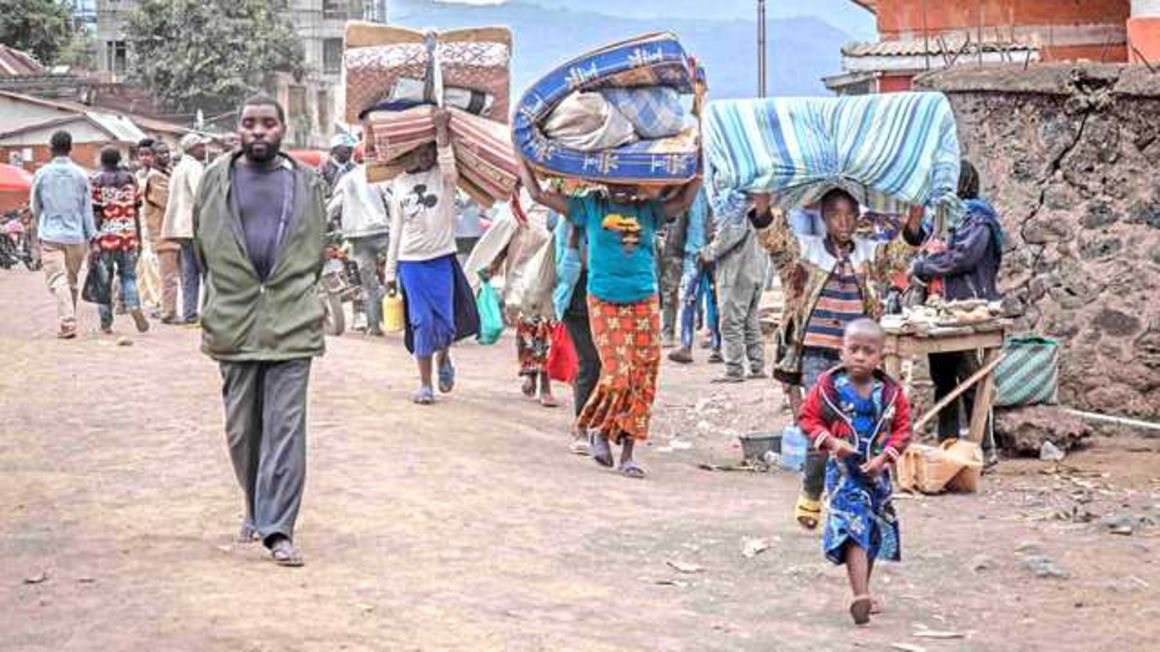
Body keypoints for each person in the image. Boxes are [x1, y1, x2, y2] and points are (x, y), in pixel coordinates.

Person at [193, 95, 326, 567]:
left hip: (292, 321)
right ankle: (254, 505)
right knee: (242, 430)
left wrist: (295, 290)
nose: (257, 132)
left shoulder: (307, 183)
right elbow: (203, 248)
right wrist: (227, 294)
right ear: (238, 130)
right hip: (233, 320)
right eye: (249, 123)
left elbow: (316, 245)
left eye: (268, 123)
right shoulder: (214, 181)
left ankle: (278, 529)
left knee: (286, 429)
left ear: (283, 129)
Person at [750, 188, 919, 529]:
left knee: (859, 429)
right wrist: (762, 202)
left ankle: (853, 497)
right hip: (815, 354)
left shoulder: (871, 256)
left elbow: (901, 254)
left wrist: (915, 215)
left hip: (857, 362)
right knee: (821, 428)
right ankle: (812, 493)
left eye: (849, 214)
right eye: (835, 214)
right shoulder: (806, 251)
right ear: (824, 219)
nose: (843, 221)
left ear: (858, 217)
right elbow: (775, 241)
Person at [520, 158, 701, 479]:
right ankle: (597, 430)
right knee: (617, 372)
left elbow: (684, 200)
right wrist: (522, 156)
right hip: (604, 299)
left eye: (628, 180)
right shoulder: (590, 207)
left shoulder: (649, 209)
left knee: (642, 377)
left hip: (645, 297)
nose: (621, 187)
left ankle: (628, 454)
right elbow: (537, 194)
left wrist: (699, 162)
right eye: (615, 180)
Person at [798, 318, 913, 625]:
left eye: (869, 351)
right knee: (853, 527)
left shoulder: (889, 392)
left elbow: (903, 429)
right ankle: (859, 594)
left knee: (872, 531)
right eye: (854, 349)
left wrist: (884, 459)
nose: (860, 356)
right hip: (843, 475)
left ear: (880, 355)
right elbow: (808, 419)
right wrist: (833, 443)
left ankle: (864, 589)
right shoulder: (828, 388)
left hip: (876, 477)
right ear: (842, 352)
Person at [903, 160, 1004, 465]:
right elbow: (917, 238)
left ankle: (983, 449)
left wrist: (922, 267)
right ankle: (947, 447)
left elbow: (962, 257)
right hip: (940, 309)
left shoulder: (978, 218)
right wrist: (914, 216)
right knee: (943, 379)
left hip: (968, 307)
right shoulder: (943, 217)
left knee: (972, 378)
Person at [384, 108, 479, 405]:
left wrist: (440, 132)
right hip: (410, 262)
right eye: (420, 151)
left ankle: (444, 360)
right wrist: (389, 274)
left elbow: (448, 164)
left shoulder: (445, 177)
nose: (425, 156)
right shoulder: (398, 182)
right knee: (421, 322)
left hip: (441, 259)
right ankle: (425, 385)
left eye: (429, 151)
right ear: (411, 153)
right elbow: (395, 231)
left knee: (446, 324)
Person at [29, 130, 95, 339]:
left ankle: (68, 321)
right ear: (70, 148)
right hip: (76, 236)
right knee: (71, 280)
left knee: (57, 279)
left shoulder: (42, 174)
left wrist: (42, 225)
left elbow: (35, 206)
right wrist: (91, 236)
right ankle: (70, 320)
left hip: (51, 234)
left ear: (51, 148)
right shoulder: (81, 174)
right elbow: (87, 209)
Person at [700, 191, 768, 382]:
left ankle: (734, 369)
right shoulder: (756, 208)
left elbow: (726, 239)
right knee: (750, 321)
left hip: (736, 273)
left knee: (731, 322)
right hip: (755, 270)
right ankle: (757, 366)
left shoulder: (735, 209)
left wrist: (707, 253)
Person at [553, 210, 599, 454]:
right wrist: (573, 241)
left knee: (604, 365)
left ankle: (597, 421)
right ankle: (582, 425)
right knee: (589, 362)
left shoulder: (608, 218)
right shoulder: (567, 223)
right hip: (576, 302)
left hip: (607, 297)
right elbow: (565, 273)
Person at [327, 159, 391, 335]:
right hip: (381, 231)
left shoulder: (346, 178)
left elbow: (335, 205)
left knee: (367, 283)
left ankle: (374, 326)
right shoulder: (378, 176)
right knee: (395, 273)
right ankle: (388, 305)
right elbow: (390, 200)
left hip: (357, 235)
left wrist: (324, 222)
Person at [90, 146, 149, 335]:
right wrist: (137, 236)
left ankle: (106, 323)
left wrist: (94, 240)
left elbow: (96, 212)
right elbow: (137, 208)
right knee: (129, 276)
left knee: (103, 281)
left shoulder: (97, 180)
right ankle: (133, 305)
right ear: (118, 160)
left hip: (106, 237)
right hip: (128, 235)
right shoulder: (131, 179)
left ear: (103, 161)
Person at [668, 190, 722, 365]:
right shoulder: (693, 193)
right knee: (689, 299)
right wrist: (675, 252)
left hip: (716, 252)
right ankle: (686, 345)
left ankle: (718, 346)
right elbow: (680, 223)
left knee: (717, 300)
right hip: (694, 251)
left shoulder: (722, 189)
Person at [162, 133, 208, 324]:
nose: (204, 150)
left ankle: (190, 312)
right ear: (193, 148)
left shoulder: (179, 167)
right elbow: (201, 195)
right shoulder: (194, 167)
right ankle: (210, 312)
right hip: (193, 227)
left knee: (189, 272)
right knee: (207, 271)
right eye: (201, 146)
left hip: (180, 228)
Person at [138, 141, 173, 316]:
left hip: (164, 228)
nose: (165, 156)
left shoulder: (166, 173)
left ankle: (163, 303)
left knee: (163, 270)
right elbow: (167, 202)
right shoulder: (153, 177)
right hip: (156, 227)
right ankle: (161, 304)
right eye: (160, 153)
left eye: (167, 152)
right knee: (156, 267)